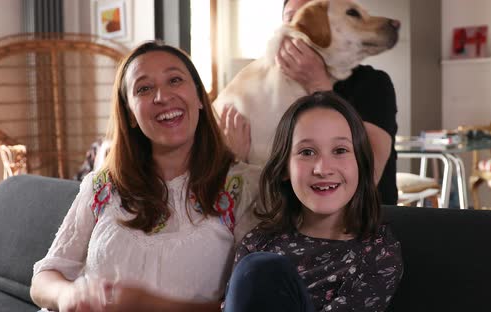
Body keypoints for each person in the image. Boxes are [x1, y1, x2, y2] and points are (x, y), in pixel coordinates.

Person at [30, 41, 260, 312]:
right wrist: (67, 295)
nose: (162, 96)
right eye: (144, 88)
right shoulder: (101, 185)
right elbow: (44, 278)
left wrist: (145, 304)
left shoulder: (243, 186)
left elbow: (249, 304)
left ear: (199, 97)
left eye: (175, 80)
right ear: (130, 114)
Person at [223, 91, 403, 312]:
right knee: (258, 267)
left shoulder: (377, 252)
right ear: (284, 169)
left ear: (360, 164)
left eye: (340, 150)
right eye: (307, 152)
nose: (323, 169)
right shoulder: (258, 241)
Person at [279, 0, 399, 205]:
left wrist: (318, 83)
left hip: (367, 219)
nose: (305, 27)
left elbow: (370, 172)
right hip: (297, 225)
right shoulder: (269, 93)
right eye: (292, 18)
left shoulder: (373, 83)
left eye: (314, 15)